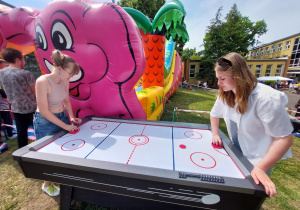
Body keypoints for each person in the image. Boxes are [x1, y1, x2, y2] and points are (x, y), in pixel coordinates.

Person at [210, 52, 293, 198]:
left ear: (237, 76)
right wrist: (215, 133)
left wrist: (261, 168)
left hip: (258, 160)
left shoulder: (266, 98)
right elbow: (214, 114)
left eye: (222, 79)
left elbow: (284, 138)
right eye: (218, 79)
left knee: (246, 198)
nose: (219, 83)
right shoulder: (226, 93)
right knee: (231, 196)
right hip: (236, 154)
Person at [34, 50, 82, 197]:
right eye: (71, 73)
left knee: (64, 152)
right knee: (49, 155)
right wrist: (66, 126)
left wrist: (71, 117)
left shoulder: (65, 80)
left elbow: (66, 100)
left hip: (62, 117)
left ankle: (58, 178)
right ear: (59, 68)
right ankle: (46, 184)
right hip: (45, 122)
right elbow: (44, 111)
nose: (72, 76)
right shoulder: (42, 81)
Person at [0, 48, 36, 148]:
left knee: (21, 133)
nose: (24, 61)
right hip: (31, 109)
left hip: (15, 108)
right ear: (17, 59)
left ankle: (23, 155)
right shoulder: (26, 74)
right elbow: (35, 93)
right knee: (38, 131)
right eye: (23, 59)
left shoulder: (1, 73)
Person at [0, 58, 17, 140]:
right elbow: (1, 90)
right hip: (2, 102)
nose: (6, 66)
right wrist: (7, 98)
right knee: (6, 115)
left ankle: (5, 131)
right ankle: (10, 134)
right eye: (5, 65)